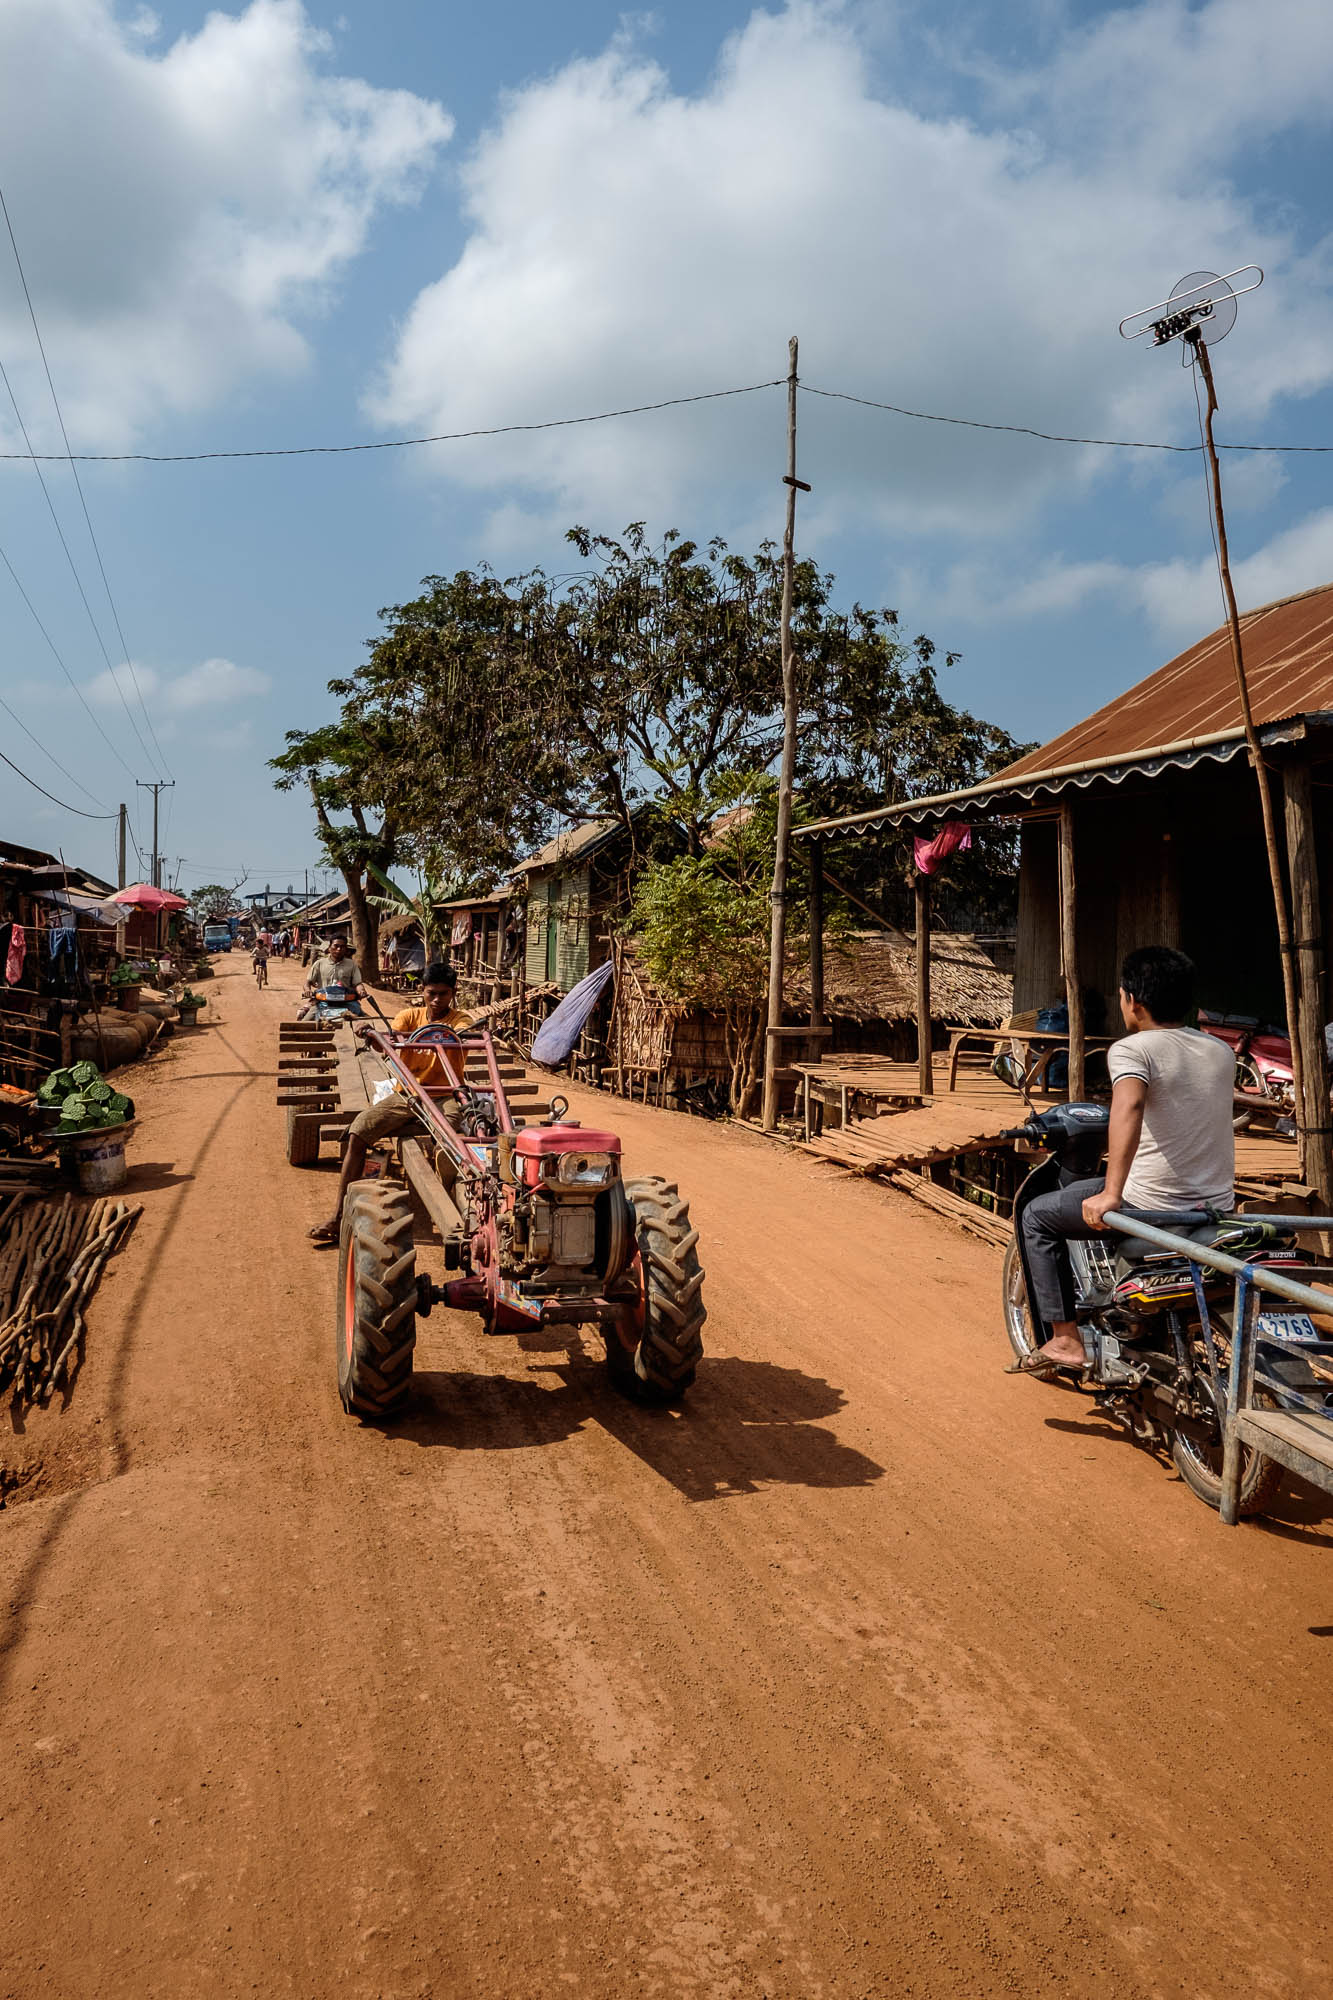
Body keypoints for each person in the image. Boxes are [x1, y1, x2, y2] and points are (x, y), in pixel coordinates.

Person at [1011, 945, 1236, 1378]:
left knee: (1037, 1215)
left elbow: (1128, 1108)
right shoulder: (1219, 1051)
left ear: (1133, 1000)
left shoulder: (1133, 1049)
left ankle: (1064, 1339)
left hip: (1152, 1205)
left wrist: (1112, 1193)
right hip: (1213, 1206)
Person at [309, 962, 474, 1244]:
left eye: (443, 994)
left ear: (453, 993)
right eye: (431, 993)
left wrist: (454, 1039)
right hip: (407, 1094)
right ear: (422, 991)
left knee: (451, 1141)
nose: (436, 1000)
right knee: (358, 1131)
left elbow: (465, 1035)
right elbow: (386, 1041)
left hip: (445, 1094)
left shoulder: (462, 1020)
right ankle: (338, 1216)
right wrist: (373, 1036)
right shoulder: (409, 1017)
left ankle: (460, 1213)